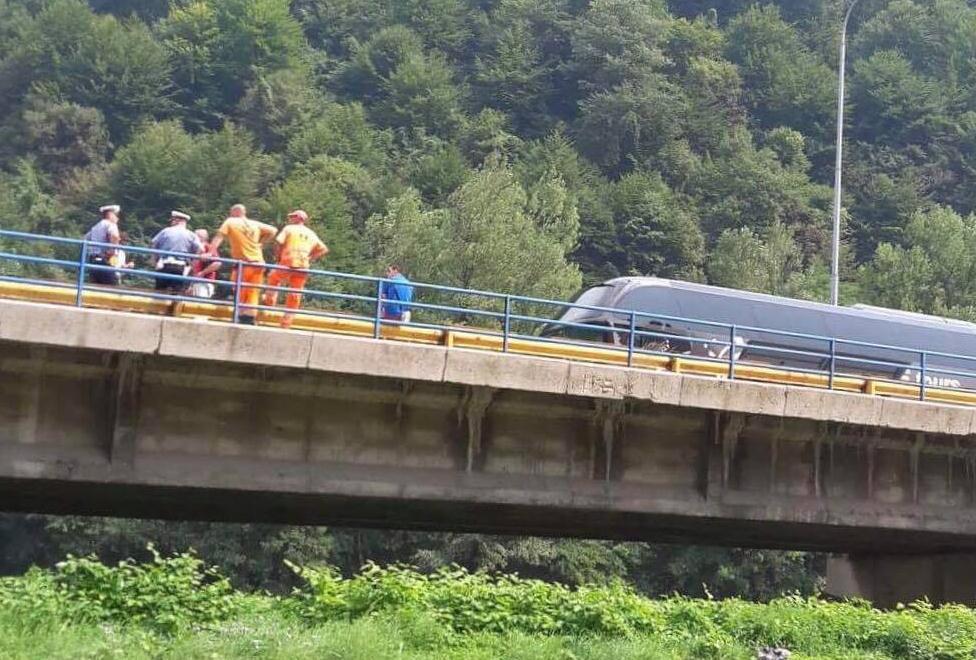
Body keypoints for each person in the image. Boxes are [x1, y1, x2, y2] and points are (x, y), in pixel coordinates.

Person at [210, 204, 277, 325]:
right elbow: (273, 230)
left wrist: (210, 252)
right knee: (252, 291)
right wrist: (261, 244)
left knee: (239, 288)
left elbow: (219, 236)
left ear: (235, 212)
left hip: (244, 263)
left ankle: (240, 315)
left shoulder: (231, 221)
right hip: (258, 262)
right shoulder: (254, 224)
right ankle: (249, 318)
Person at [261, 210, 329, 329]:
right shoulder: (311, 233)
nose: (290, 218)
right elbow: (323, 249)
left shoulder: (289, 229)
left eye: (292, 216)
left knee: (273, 277)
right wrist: (310, 258)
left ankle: (269, 301)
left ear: (298, 218)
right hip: (303, 266)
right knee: (295, 293)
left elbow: (278, 242)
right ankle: (286, 323)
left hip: (287, 261)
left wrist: (278, 256)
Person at [150, 211, 202, 294]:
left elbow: (154, 243)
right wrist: (192, 263)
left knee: (160, 292)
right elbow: (200, 249)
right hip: (180, 266)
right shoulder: (191, 235)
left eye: (173, 220)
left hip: (164, 264)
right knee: (176, 293)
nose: (171, 222)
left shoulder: (165, 231)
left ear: (178, 220)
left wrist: (154, 259)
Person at [84, 204, 122, 285]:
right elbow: (114, 236)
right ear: (110, 214)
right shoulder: (110, 224)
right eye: (116, 215)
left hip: (93, 260)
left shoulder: (96, 226)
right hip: (105, 261)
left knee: (95, 288)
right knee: (110, 288)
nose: (117, 218)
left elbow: (85, 238)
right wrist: (111, 252)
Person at [188, 229, 221, 299]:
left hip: (204, 282)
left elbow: (217, 263)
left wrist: (202, 273)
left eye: (195, 237)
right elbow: (194, 267)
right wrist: (191, 285)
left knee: (199, 305)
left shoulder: (208, 247)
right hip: (197, 282)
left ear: (200, 237)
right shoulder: (198, 249)